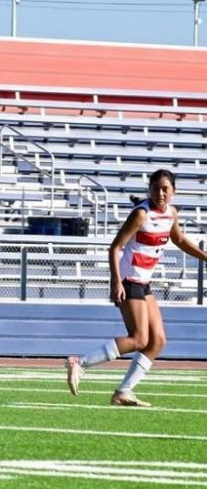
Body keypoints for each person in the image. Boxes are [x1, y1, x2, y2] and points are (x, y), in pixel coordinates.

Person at [64, 169, 207, 407]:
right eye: (156, 188)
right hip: (130, 281)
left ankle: (124, 391)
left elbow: (179, 240)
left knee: (158, 340)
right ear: (149, 189)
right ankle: (79, 363)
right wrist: (116, 281)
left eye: (165, 189)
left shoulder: (171, 214)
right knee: (139, 339)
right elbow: (115, 247)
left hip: (144, 284)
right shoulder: (141, 214)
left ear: (174, 191)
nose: (160, 193)